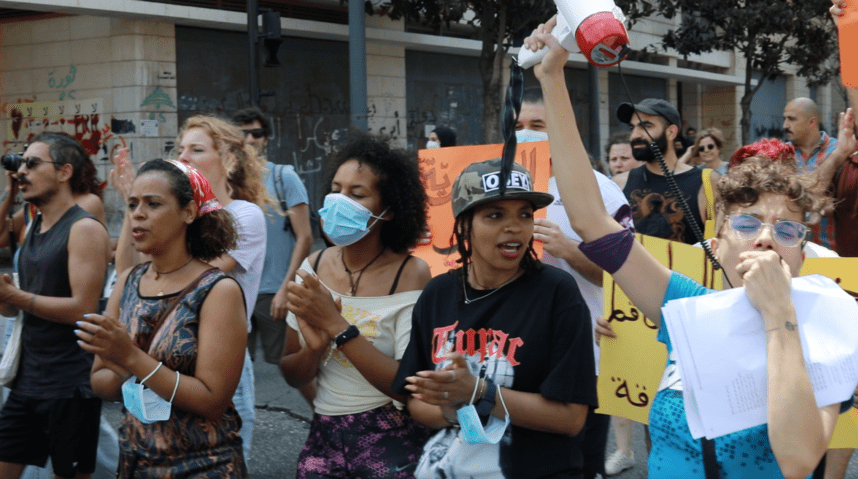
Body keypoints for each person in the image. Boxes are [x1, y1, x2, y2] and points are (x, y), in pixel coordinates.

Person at [527, 18, 854, 478]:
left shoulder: (826, 328)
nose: (765, 237)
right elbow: (590, 221)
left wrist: (780, 315)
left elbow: (798, 460)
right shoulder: (686, 307)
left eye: (786, 230)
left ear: (803, 250)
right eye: (747, 222)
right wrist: (553, 75)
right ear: (716, 245)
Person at [392, 157, 597, 478]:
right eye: (495, 215)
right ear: (463, 225)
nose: (514, 226)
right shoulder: (437, 293)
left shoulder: (557, 292)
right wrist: (450, 409)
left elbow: (571, 419)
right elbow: (416, 400)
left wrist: (479, 393)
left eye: (525, 214)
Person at [78, 159, 248, 477]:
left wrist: (129, 355)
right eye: (132, 204)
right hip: (136, 460)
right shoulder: (128, 281)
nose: (137, 214)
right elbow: (100, 383)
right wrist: (116, 359)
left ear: (188, 212)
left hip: (203, 464)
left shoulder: (218, 290)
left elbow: (212, 400)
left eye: (153, 204)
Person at [112, 115, 268, 461]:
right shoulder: (169, 216)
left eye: (196, 150)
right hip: (155, 353)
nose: (183, 157)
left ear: (228, 159)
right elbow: (130, 277)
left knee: (215, 454)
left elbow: (192, 282)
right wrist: (133, 208)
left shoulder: (245, 215)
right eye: (180, 149)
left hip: (214, 357)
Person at [280, 133, 433, 478]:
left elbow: (407, 384)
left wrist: (336, 327)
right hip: (323, 438)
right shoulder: (313, 267)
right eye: (336, 189)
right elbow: (291, 372)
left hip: (392, 441)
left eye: (356, 193)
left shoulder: (411, 274)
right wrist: (314, 350)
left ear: (390, 210)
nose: (338, 201)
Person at [516, 109, 629, 479]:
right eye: (517, 126)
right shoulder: (492, 184)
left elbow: (627, 277)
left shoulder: (598, 191)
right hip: (512, 356)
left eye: (537, 125)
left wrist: (568, 249)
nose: (525, 133)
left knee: (579, 464)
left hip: (584, 358)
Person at [0, 132, 110, 479]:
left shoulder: (83, 228)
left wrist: (17, 297)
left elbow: (83, 307)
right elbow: (22, 306)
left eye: (32, 163)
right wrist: (7, 300)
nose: (22, 171)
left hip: (70, 384)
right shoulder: (33, 225)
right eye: (21, 163)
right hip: (28, 379)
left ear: (64, 172)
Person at [231, 108, 313, 368]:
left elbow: (305, 237)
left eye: (256, 133)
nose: (250, 139)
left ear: (265, 139)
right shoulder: (228, 181)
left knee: (288, 366)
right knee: (234, 367)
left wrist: (284, 290)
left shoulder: (283, 177)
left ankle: (318, 409)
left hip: (272, 290)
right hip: (237, 290)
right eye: (243, 134)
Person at [610, 98, 719, 245]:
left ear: (671, 132)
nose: (635, 135)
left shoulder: (708, 182)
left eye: (645, 126)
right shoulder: (619, 183)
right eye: (632, 128)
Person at [783, 97, 839, 250]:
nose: (785, 125)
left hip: (831, 253)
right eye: (785, 119)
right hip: (790, 252)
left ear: (811, 122)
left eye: (792, 119)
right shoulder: (781, 154)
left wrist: (829, 206)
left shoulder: (838, 151)